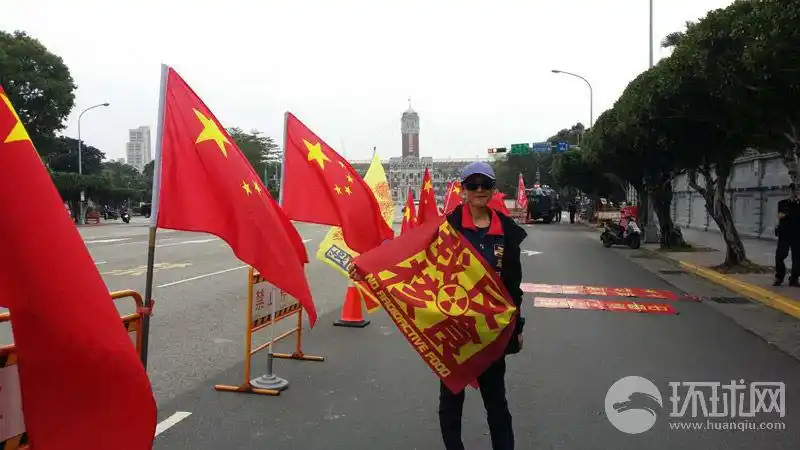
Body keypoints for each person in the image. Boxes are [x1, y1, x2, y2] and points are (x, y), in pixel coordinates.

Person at [774, 183, 800, 286]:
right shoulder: (782, 203)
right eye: (792, 191)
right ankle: (779, 277)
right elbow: (780, 215)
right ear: (789, 191)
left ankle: (794, 279)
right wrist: (790, 214)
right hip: (784, 234)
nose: (794, 193)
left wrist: (787, 215)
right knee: (780, 256)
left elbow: (785, 215)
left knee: (797, 258)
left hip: (797, 234)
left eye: (796, 191)